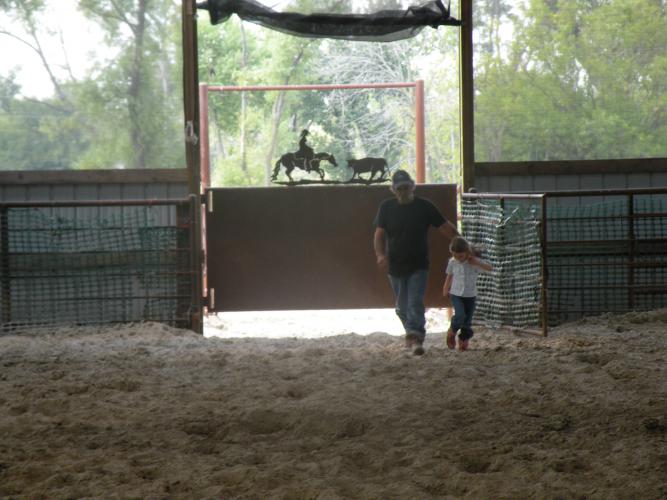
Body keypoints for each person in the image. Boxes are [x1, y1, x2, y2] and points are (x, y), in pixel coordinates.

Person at [373, 169, 459, 356]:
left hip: (419, 264)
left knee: (414, 302)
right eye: (399, 189)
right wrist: (380, 255)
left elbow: (445, 227)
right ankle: (411, 333)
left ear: (412, 187)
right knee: (402, 307)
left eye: (406, 187)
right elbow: (379, 235)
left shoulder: (424, 207)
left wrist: (461, 244)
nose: (403, 192)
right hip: (395, 265)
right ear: (393, 190)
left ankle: (416, 337)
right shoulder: (386, 207)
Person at [442, 236, 493, 351]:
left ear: (466, 252)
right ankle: (452, 330)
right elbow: (449, 275)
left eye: (460, 256)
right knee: (460, 315)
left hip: (470, 295)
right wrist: (445, 288)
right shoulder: (452, 262)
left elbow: (490, 268)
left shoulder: (473, 262)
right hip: (456, 293)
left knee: (467, 320)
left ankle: (463, 338)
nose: (457, 258)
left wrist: (478, 263)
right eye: (454, 255)